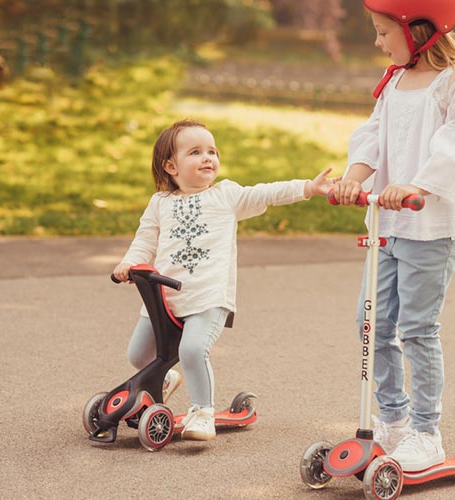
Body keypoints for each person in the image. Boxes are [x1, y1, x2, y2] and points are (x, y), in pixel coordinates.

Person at [114, 118, 336, 441]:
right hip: (165, 300)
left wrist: (307, 188)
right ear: (170, 165)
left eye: (212, 151)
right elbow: (145, 240)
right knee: (138, 355)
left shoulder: (226, 196)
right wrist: (128, 263)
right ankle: (161, 381)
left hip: (207, 299)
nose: (208, 158)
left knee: (192, 350)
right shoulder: (159, 203)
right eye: (195, 152)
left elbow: (266, 193)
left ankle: (202, 411)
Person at [331, 0, 455, 471]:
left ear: (418, 30)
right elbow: (373, 135)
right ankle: (393, 420)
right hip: (388, 225)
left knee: (417, 330)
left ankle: (424, 432)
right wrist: (354, 177)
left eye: (382, 31)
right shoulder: (394, 79)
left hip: (430, 226)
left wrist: (417, 185)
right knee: (371, 324)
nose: (377, 41)